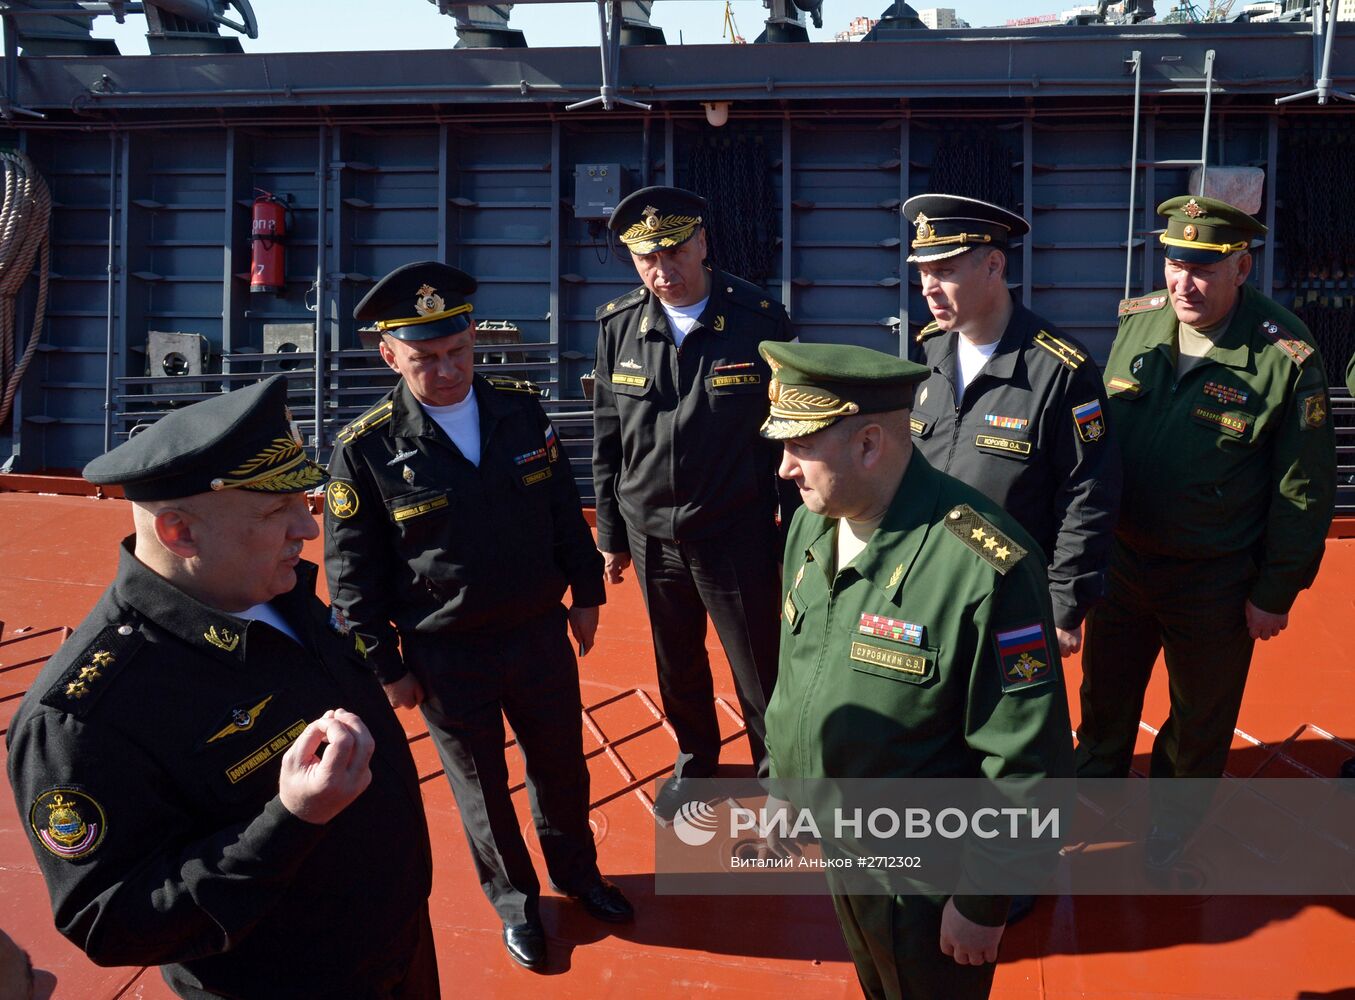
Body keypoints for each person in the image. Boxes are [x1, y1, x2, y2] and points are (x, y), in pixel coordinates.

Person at [5, 375, 438, 999]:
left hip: (397, 944)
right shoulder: (85, 716)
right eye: (275, 511)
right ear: (181, 533)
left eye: (303, 501)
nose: (309, 529)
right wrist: (290, 820)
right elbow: (111, 922)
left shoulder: (278, 591)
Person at [324, 261, 631, 972]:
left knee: (561, 767)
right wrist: (386, 668)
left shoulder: (518, 411)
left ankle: (577, 875)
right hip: (444, 654)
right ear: (390, 356)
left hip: (536, 633)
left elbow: (562, 505)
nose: (447, 369)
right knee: (482, 789)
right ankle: (517, 905)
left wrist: (586, 593)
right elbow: (351, 576)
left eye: (457, 351)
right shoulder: (365, 448)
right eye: (426, 358)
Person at [758, 340, 1074, 1000]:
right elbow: (798, 672)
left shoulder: (986, 567)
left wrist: (981, 901)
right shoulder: (810, 526)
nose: (783, 467)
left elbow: (1027, 762)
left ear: (869, 445)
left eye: (800, 447)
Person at [1076, 196, 1337, 860]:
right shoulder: (1136, 323)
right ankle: (1094, 791)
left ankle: (1170, 824)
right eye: (1173, 263)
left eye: (1202, 269)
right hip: (1124, 562)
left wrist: (1275, 591)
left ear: (1241, 268)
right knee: (1104, 692)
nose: (1182, 284)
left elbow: (1301, 488)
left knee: (1198, 715)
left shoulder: (1285, 356)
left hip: (1213, 576)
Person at [592, 185, 797, 820]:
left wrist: (795, 535)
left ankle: (778, 775)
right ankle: (696, 762)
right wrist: (609, 536)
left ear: (702, 243)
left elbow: (789, 433)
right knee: (676, 662)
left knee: (759, 664)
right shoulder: (618, 326)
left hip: (735, 531)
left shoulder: (760, 320)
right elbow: (607, 436)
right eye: (647, 259)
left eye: (675, 251)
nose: (663, 270)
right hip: (651, 533)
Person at [903, 194, 1120, 658]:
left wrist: (1064, 603)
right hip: (925, 587)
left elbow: (1088, 491)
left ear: (994, 266)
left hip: (1010, 596)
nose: (927, 288)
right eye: (922, 273)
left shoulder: (1059, 369)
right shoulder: (926, 354)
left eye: (944, 272)